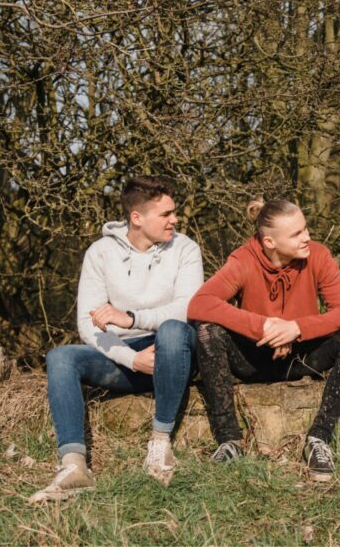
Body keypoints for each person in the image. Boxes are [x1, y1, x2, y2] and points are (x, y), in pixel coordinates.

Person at [28, 176, 203, 504]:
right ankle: (74, 467)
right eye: (165, 214)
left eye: (174, 212)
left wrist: (132, 318)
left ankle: (160, 445)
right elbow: (88, 323)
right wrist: (131, 358)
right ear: (137, 218)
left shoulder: (185, 249)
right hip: (123, 357)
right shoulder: (100, 253)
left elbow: (187, 308)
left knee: (174, 331)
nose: (174, 220)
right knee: (61, 357)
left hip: (171, 351)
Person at [187, 198, 340, 482]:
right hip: (254, 357)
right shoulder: (244, 259)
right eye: (296, 234)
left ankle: (319, 439)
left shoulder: (317, 255)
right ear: (269, 241)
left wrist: (296, 328)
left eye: (305, 229)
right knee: (207, 330)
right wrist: (264, 327)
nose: (307, 237)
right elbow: (200, 304)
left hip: (301, 357)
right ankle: (229, 440)